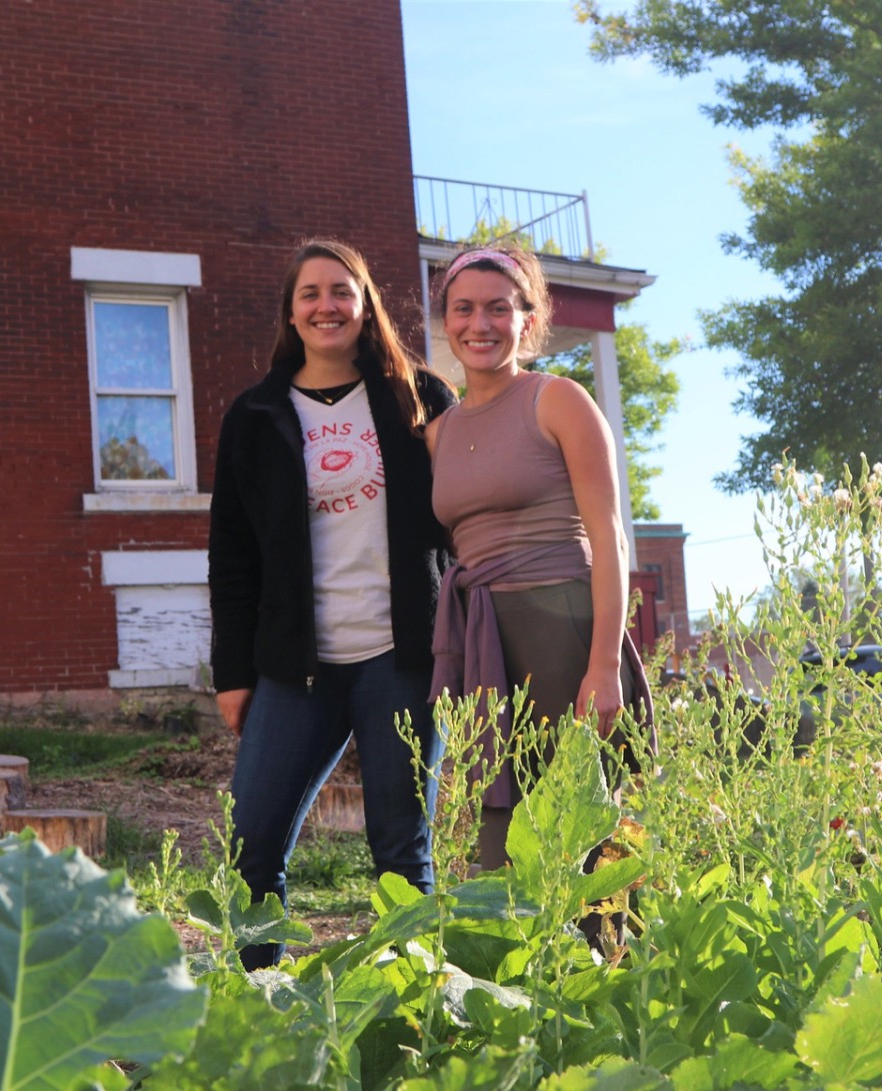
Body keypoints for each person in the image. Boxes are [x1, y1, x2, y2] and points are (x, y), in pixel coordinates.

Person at [208, 238, 455, 969]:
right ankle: (260, 1007)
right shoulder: (255, 415)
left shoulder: (418, 396)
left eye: (341, 291)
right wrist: (232, 672)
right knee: (250, 844)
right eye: (311, 293)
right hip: (296, 667)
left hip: (402, 659)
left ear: (364, 303)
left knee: (400, 854)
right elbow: (232, 554)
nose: (327, 306)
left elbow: (467, 514)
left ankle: (408, 1013)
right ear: (291, 310)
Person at [426, 243, 652, 871]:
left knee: (585, 841)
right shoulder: (439, 432)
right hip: (487, 645)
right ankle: (525, 972)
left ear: (527, 319)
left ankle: (612, 966)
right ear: (446, 321)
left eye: (499, 309)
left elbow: (609, 537)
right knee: (499, 847)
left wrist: (605, 665)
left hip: (565, 635)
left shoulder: (558, 401)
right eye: (464, 309)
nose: (480, 325)